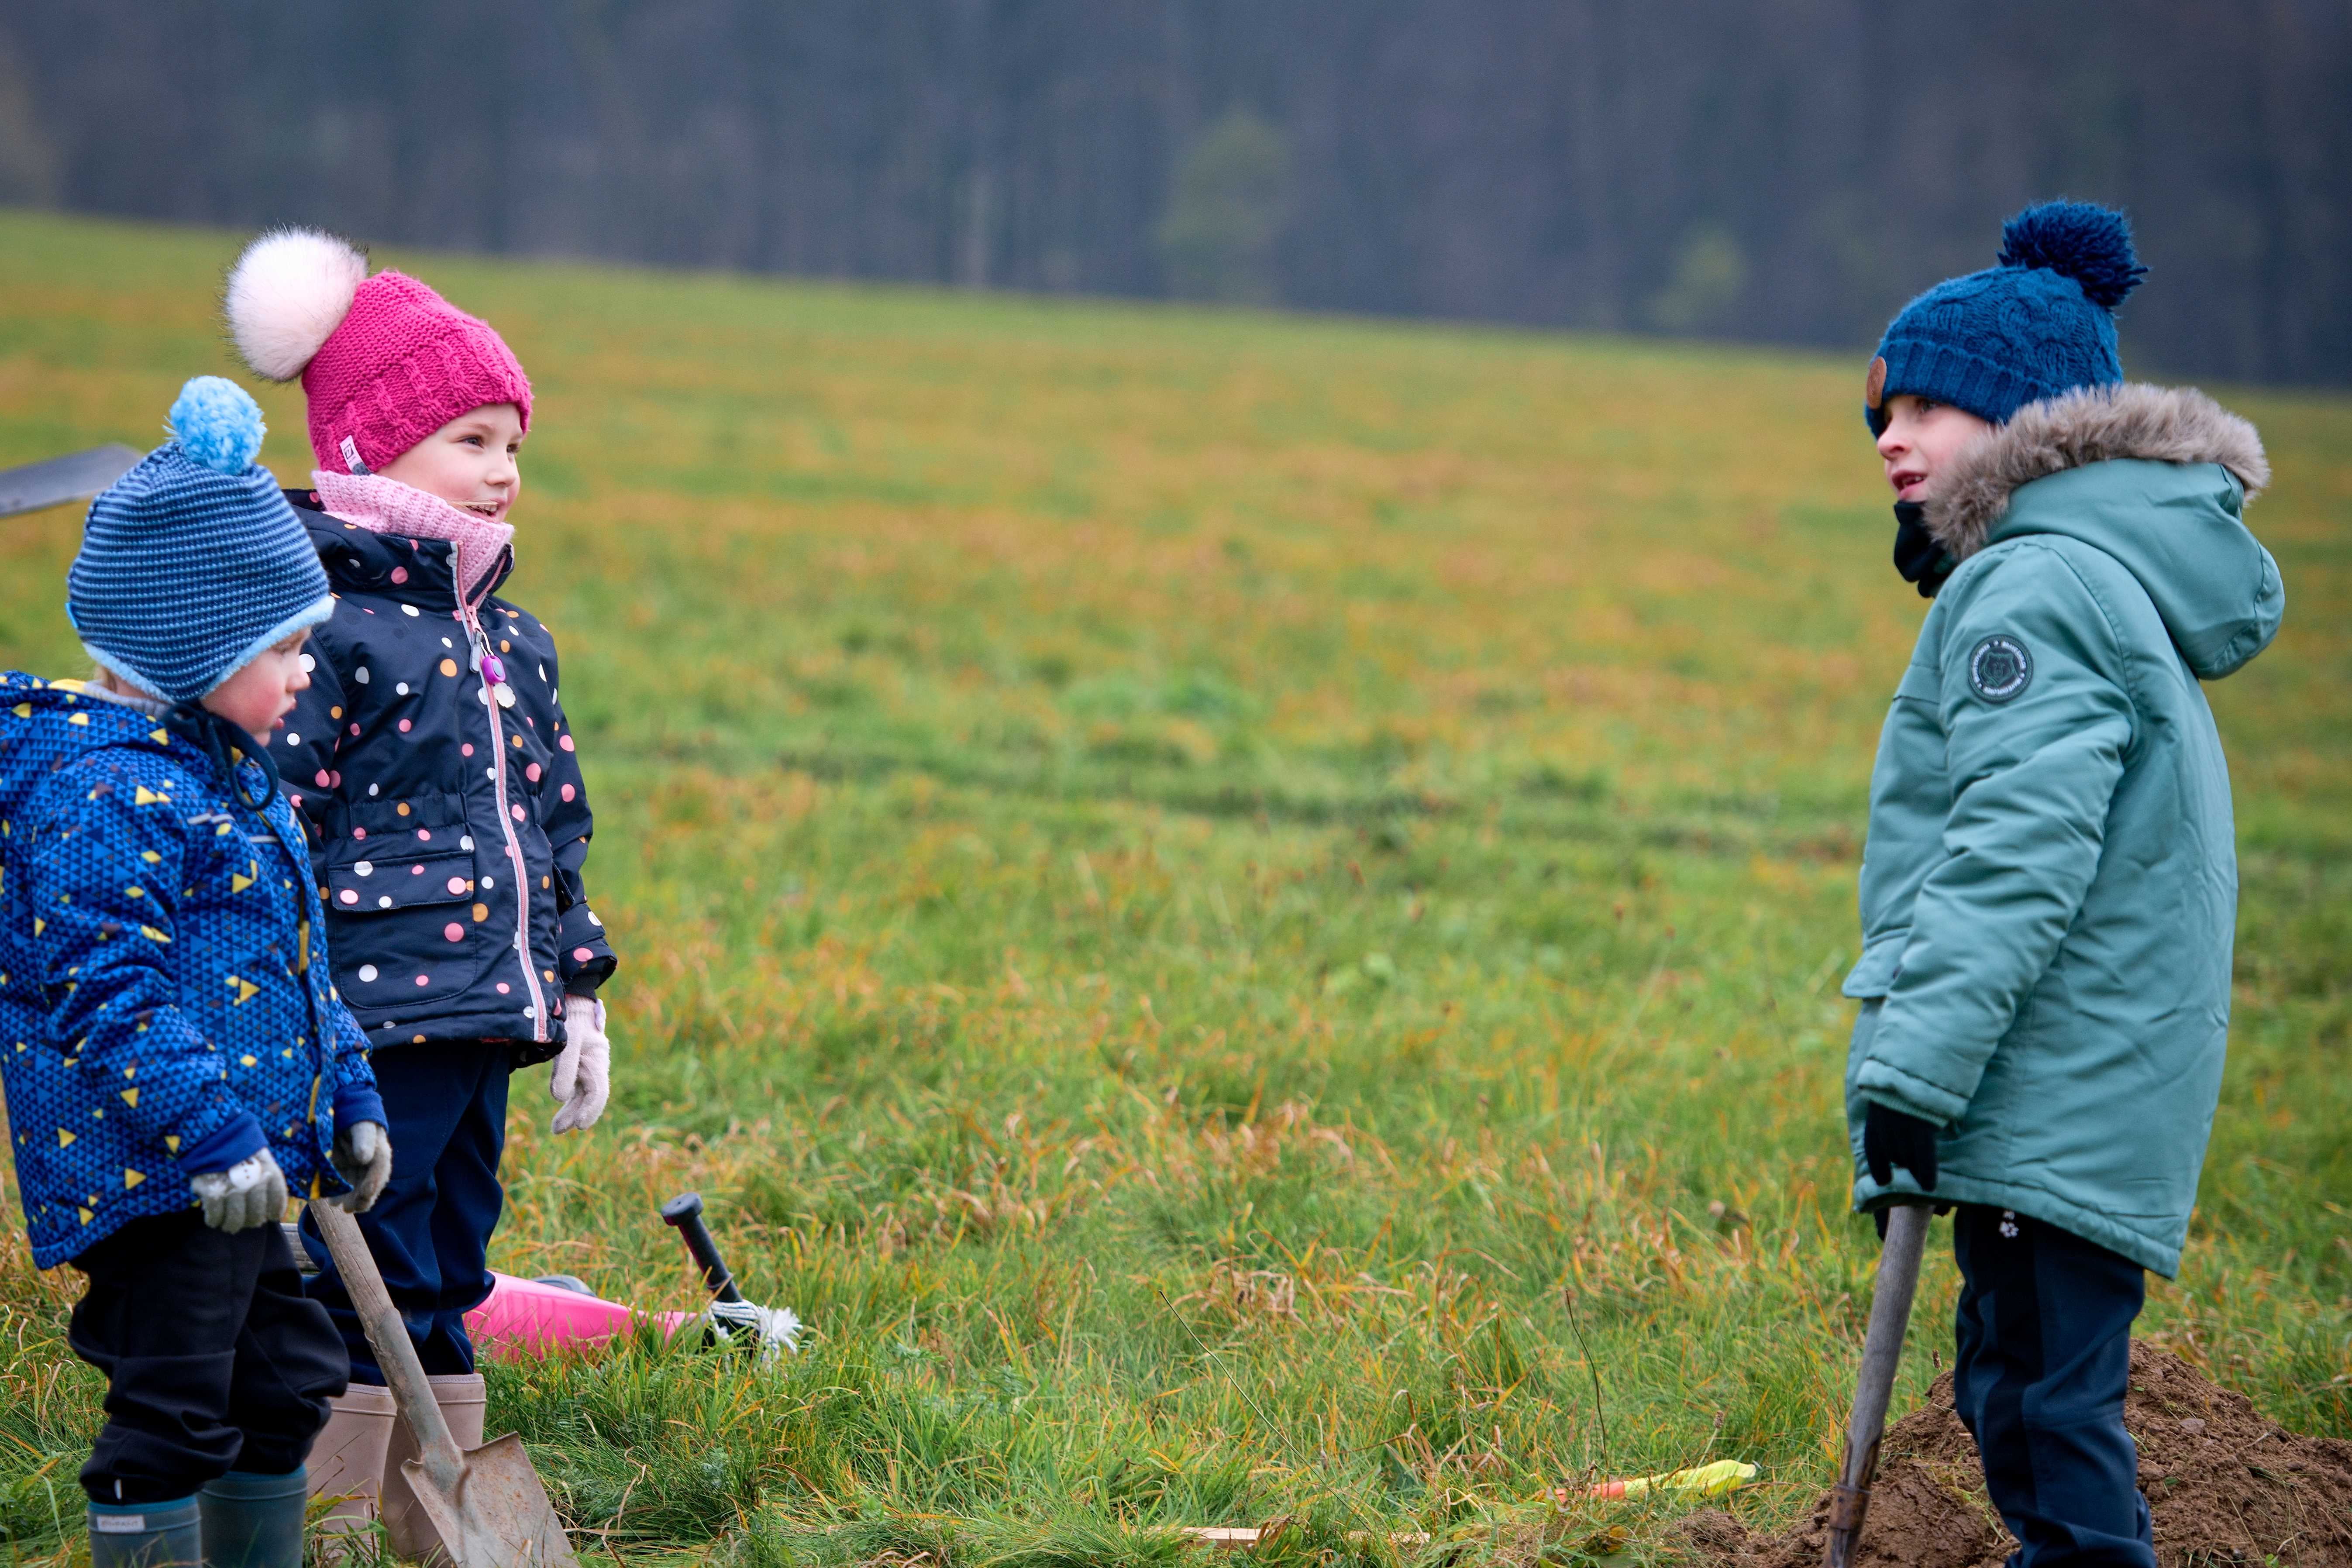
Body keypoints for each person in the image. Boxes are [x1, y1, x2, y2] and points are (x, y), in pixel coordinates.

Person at [1843, 200, 2281, 1567]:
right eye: (1882, 411)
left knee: (2042, 1408)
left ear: (2031, 425)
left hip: (2050, 1085)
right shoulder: (2091, 577)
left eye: (1931, 405)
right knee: (2025, 1391)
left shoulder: (2032, 588)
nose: (1892, 437)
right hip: (2076, 1084)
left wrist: (1910, 1074)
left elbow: (2012, 854)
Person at [221, 226, 620, 1555]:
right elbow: (272, 825)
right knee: (361, 1262)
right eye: (470, 440)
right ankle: (321, 1507)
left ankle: (432, 1504)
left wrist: (580, 994)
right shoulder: (326, 629)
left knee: (452, 1252)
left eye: (515, 444)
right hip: (369, 1020)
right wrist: (271, 1000)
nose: (504, 472)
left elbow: (555, 828)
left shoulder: (512, 634)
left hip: (492, 1008)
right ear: (365, 450)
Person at [0, 377, 391, 1568]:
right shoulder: (104, 793)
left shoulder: (226, 776)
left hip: (258, 1161)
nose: (301, 674)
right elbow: (109, 995)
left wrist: (354, 1100)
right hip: (162, 1166)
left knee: (285, 1383)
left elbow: (296, 969)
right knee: (175, 1410)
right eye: (281, 647)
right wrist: (209, 1135)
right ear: (192, 644)